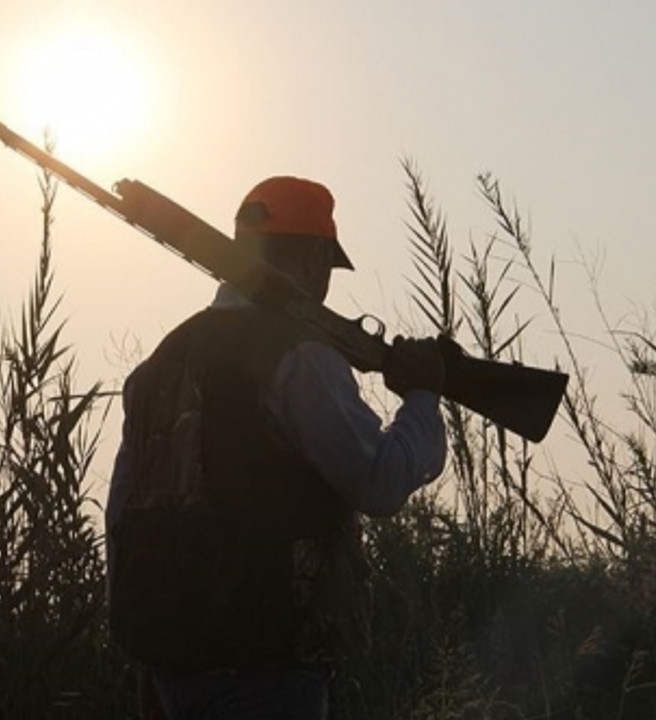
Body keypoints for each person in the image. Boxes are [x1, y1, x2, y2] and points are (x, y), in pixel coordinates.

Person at [105, 176, 448, 720]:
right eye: (326, 266)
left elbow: (123, 517)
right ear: (315, 259)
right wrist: (423, 397)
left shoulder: (160, 363)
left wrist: (148, 654)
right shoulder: (300, 356)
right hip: (267, 665)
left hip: (172, 668)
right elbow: (380, 484)